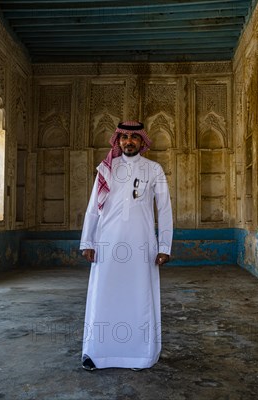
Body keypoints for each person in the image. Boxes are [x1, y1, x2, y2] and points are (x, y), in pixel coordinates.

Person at [79, 121, 173, 371]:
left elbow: (164, 210)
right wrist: (87, 241)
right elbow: (92, 210)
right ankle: (97, 353)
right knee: (104, 296)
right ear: (117, 140)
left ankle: (139, 356)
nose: (128, 141)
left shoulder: (154, 170)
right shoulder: (106, 169)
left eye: (134, 137)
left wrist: (165, 245)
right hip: (107, 243)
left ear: (143, 142)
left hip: (142, 245)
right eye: (124, 137)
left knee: (139, 297)